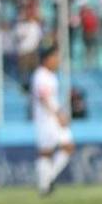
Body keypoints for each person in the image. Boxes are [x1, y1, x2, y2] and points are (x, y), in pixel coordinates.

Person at [31, 45, 75, 195]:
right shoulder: (40, 75)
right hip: (46, 120)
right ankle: (46, 184)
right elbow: (44, 98)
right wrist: (58, 114)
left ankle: (47, 181)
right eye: (54, 57)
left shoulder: (50, 75)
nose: (57, 61)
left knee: (67, 147)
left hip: (52, 118)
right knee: (47, 152)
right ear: (46, 59)